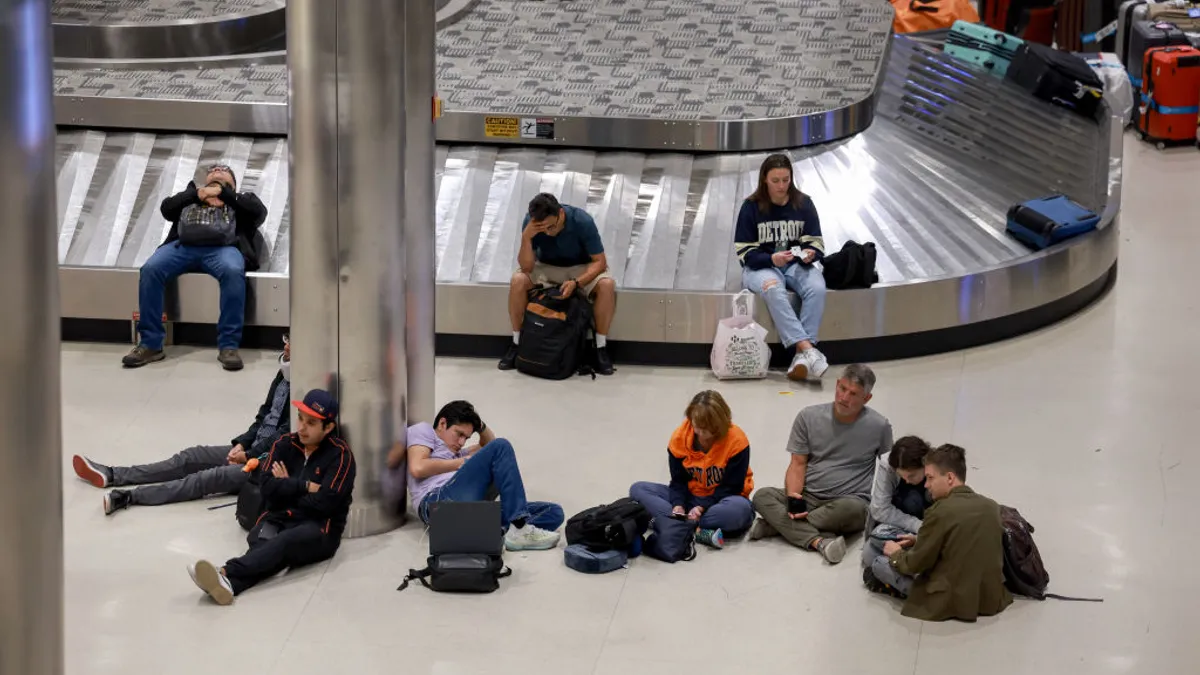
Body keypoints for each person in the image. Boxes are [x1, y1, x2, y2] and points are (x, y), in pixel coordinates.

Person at [74, 336, 291, 515]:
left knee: (206, 479)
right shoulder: (282, 375)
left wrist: (251, 454)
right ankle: (114, 475)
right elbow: (264, 415)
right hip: (252, 450)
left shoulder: (306, 386)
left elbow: (285, 435)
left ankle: (129, 496)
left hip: (268, 463)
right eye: (286, 340)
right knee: (190, 457)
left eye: (291, 343)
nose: (286, 346)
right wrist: (243, 444)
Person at [188, 389, 355, 605]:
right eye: (300, 418)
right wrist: (304, 486)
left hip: (320, 528)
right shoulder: (285, 444)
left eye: (311, 423)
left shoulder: (341, 457)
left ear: (329, 427)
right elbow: (265, 487)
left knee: (285, 542)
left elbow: (325, 504)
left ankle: (226, 571)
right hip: (279, 515)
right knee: (261, 542)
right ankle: (231, 586)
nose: (302, 427)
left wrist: (286, 486)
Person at [123, 163, 267, 371]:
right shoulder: (192, 194)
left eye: (223, 170)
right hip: (182, 247)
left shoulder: (242, 199)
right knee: (151, 269)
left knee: (233, 271)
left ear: (234, 184)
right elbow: (167, 208)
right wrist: (197, 194)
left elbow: (258, 213)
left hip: (223, 249)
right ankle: (150, 344)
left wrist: (224, 194)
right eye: (212, 171)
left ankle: (228, 346)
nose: (217, 170)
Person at [749, 364, 893, 564]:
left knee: (853, 510)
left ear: (866, 398)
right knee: (762, 496)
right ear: (836, 384)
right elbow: (797, 464)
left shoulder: (880, 426)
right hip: (809, 496)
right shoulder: (808, 416)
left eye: (853, 394)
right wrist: (793, 498)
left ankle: (776, 526)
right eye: (842, 389)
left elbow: (889, 470)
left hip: (850, 501)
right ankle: (820, 541)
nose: (844, 397)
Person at [388, 400, 563, 551]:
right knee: (502, 446)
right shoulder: (424, 431)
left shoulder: (459, 453)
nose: (462, 442)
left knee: (553, 512)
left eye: (467, 437)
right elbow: (417, 467)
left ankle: (493, 530)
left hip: (468, 509)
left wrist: (480, 425)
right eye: (459, 434)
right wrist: (460, 464)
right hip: (437, 503)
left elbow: (488, 444)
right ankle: (518, 528)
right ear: (442, 424)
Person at [877, 444, 1013, 622]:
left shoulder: (939, 511)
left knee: (878, 561)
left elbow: (914, 565)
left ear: (949, 477)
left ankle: (895, 588)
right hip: (988, 597)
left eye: (930, 478)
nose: (926, 485)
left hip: (949, 599)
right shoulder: (992, 506)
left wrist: (896, 554)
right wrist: (919, 540)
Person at [734, 153, 828, 381]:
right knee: (773, 287)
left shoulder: (804, 203)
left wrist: (810, 253)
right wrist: (771, 260)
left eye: (785, 180)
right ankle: (808, 348)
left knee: (817, 287)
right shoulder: (751, 207)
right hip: (760, 267)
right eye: (775, 180)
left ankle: (800, 357)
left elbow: (816, 241)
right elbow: (745, 254)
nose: (781, 186)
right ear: (764, 179)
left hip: (795, 265)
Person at [499, 193, 616, 375]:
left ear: (561, 214)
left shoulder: (582, 221)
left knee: (607, 285)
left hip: (579, 267)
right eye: (542, 229)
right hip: (545, 267)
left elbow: (600, 261)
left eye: (551, 227)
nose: (548, 232)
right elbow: (527, 266)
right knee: (518, 281)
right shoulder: (530, 223)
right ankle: (517, 344)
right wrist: (526, 238)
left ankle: (600, 347)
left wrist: (577, 282)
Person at [629, 391, 755, 549]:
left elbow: (732, 487)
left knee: (740, 511)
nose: (703, 434)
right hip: (690, 497)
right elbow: (678, 481)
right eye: (698, 428)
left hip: (722, 500)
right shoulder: (679, 439)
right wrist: (678, 505)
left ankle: (676, 524)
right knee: (638, 489)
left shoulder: (737, 441)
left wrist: (702, 508)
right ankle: (696, 529)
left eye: (710, 429)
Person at [860, 435, 934, 594]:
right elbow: (880, 509)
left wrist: (923, 533)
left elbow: (945, 521)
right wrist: (916, 527)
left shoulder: (938, 470)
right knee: (869, 554)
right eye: (902, 476)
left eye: (912, 475)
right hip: (909, 530)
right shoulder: (888, 464)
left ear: (925, 465)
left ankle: (913, 585)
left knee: (878, 563)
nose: (906, 480)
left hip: (931, 533)